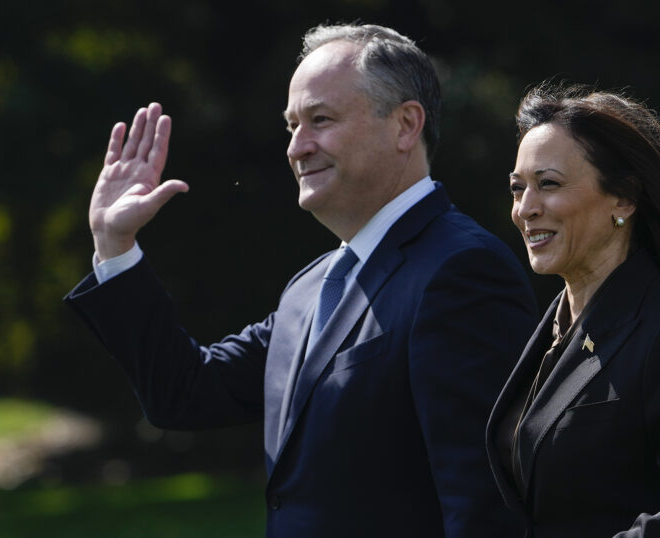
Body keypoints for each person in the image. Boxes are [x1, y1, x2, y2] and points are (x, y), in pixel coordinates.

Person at [65, 23, 538, 538]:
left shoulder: (462, 271)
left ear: (405, 125)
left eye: (320, 120)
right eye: (291, 125)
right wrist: (115, 247)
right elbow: (185, 393)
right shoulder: (310, 287)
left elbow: (483, 509)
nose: (297, 147)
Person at [485, 83, 660, 537]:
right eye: (517, 188)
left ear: (623, 199)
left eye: (548, 184)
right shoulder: (550, 330)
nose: (526, 208)